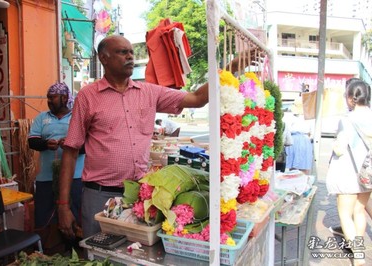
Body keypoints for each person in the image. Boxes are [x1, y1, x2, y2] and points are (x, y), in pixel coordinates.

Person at [57, 35, 249, 240]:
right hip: (99, 195)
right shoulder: (88, 96)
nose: (130, 56)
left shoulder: (149, 92)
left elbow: (197, 98)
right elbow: (70, 151)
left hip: (138, 197)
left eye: (131, 52)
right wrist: (63, 206)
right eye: (123, 52)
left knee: (131, 256)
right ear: (104, 58)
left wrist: (231, 67)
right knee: (97, 253)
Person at [28, 82, 85, 251]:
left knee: (73, 213)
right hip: (47, 176)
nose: (49, 101)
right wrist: (46, 144)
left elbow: (87, 146)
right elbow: (32, 141)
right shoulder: (41, 118)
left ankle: (74, 250)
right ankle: (44, 250)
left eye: (52, 97)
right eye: (48, 98)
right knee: (43, 214)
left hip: (75, 176)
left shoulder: (77, 117)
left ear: (64, 98)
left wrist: (70, 145)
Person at [325, 80, 372, 266]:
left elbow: (339, 148)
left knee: (345, 214)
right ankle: (358, 248)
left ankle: (358, 256)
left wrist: (334, 145)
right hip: (368, 173)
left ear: (351, 99)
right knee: (359, 211)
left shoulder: (346, 120)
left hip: (348, 173)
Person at [283, 98, 314, 174]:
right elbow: (312, 131)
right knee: (303, 164)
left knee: (292, 166)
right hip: (302, 141)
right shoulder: (308, 116)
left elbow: (286, 129)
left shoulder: (289, 116)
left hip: (294, 140)